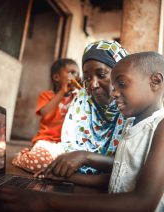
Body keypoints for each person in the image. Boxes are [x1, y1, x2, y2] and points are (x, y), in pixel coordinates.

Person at [0, 52, 164, 211]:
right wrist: (70, 178)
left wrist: (46, 200)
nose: (114, 91)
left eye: (121, 83)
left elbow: (142, 202)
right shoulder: (133, 125)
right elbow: (123, 176)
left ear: (155, 81)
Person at [34, 40, 129, 186]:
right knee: (48, 161)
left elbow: (132, 168)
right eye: (88, 78)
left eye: (101, 74)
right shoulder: (83, 102)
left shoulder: (133, 109)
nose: (93, 84)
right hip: (55, 147)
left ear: (121, 75)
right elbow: (72, 153)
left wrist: (85, 158)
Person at [12, 58, 80, 173]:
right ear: (56, 77)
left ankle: (52, 164)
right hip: (47, 141)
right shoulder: (46, 96)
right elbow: (45, 114)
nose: (75, 77)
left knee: (73, 167)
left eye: (77, 73)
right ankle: (21, 156)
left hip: (66, 145)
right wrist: (62, 92)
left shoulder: (78, 98)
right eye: (71, 73)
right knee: (40, 163)